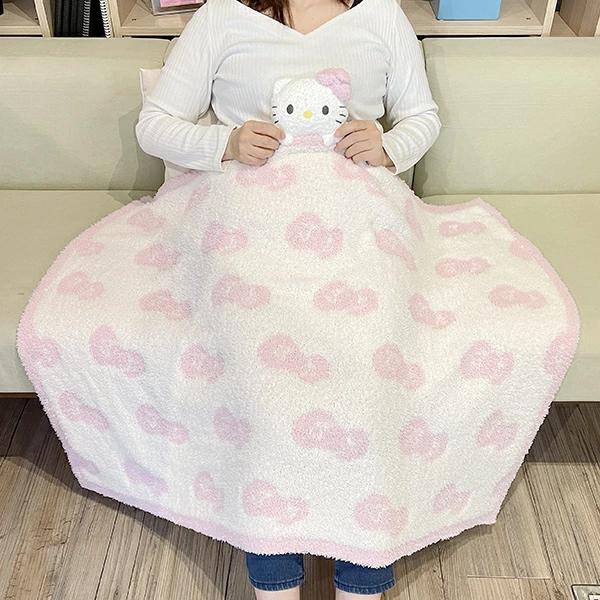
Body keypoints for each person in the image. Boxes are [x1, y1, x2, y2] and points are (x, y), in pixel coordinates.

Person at [135, 0, 442, 597]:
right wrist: (225, 142)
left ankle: (363, 575)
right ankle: (274, 579)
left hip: (357, 214)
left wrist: (389, 145)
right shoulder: (222, 16)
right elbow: (156, 123)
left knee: (373, 360)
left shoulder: (381, 15)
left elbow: (422, 115)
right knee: (259, 366)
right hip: (249, 215)